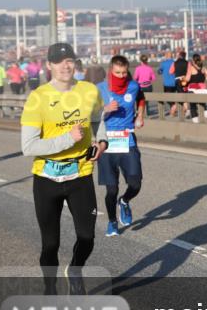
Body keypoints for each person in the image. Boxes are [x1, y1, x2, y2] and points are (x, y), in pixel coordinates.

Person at [20, 43, 108, 295]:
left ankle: (76, 269)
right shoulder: (37, 98)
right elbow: (28, 146)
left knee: (87, 237)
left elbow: (97, 119)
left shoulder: (89, 91)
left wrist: (101, 142)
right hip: (47, 178)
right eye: (59, 61)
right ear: (49, 66)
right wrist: (68, 139)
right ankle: (50, 288)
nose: (65, 66)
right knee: (50, 244)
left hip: (80, 174)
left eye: (69, 60)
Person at [95, 55, 145, 237]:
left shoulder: (133, 86)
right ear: (110, 71)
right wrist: (105, 110)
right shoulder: (99, 89)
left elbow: (141, 99)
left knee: (135, 183)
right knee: (111, 189)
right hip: (106, 142)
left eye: (124, 72)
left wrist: (140, 115)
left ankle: (124, 201)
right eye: (117, 73)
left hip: (127, 140)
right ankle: (112, 222)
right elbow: (89, 114)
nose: (121, 76)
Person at [182, 53, 207, 123]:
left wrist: (183, 78)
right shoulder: (203, 68)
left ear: (193, 60)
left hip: (193, 90)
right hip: (202, 90)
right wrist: (203, 78)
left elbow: (187, 79)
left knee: (193, 106)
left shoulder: (191, 68)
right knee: (203, 104)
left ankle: (196, 122)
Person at [157, 50, 177, 116]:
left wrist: (160, 71)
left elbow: (159, 71)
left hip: (167, 83)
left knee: (168, 98)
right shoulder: (175, 63)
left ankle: (173, 108)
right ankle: (173, 110)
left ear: (166, 56)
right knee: (173, 97)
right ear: (172, 56)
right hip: (174, 83)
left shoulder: (163, 63)